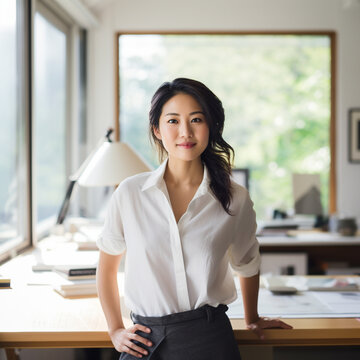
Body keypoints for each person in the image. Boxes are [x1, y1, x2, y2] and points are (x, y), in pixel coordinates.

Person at [96, 78, 292, 360]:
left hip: (209, 340)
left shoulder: (234, 198)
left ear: (210, 127)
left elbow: (247, 263)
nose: (185, 132)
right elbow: (106, 267)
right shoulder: (130, 193)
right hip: (144, 342)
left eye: (196, 119)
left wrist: (253, 318)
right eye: (173, 121)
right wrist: (114, 329)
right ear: (157, 129)